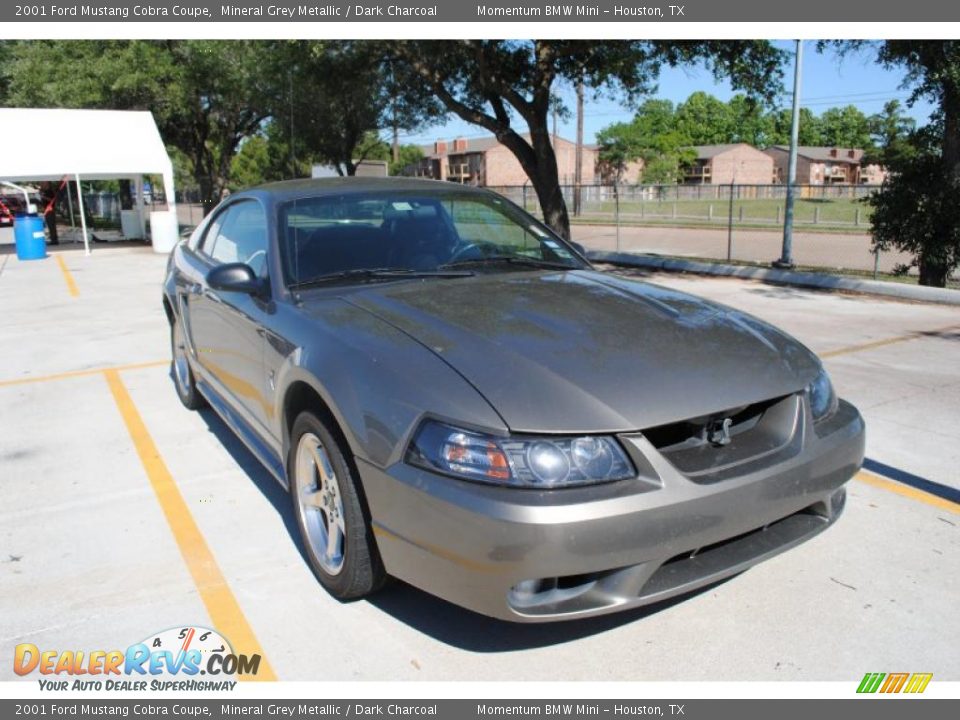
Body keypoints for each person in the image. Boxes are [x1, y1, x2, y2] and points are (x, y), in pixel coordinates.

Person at [38, 181, 59, 245]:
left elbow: (52, 200)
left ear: (47, 184)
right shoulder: (44, 192)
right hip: (46, 210)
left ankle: (54, 240)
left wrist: (43, 197)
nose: (41, 185)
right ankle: (53, 239)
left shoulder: (50, 191)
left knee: (51, 225)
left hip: (50, 210)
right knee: (49, 225)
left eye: (42, 184)